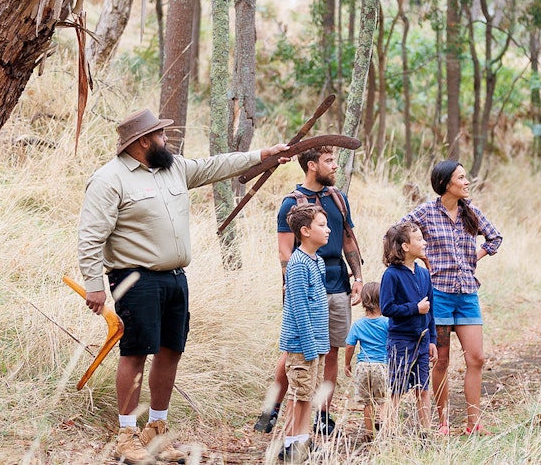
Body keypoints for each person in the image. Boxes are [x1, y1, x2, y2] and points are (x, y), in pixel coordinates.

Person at [77, 109, 288, 464]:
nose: (166, 140)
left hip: (175, 278)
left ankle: (157, 430)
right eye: (160, 135)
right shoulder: (109, 179)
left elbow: (213, 166)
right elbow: (90, 237)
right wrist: (93, 285)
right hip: (134, 278)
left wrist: (262, 155)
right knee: (134, 351)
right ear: (143, 141)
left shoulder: (172, 167)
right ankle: (127, 435)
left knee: (170, 350)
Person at [254, 146, 363, 436]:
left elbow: (349, 241)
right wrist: (296, 287)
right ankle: (272, 409)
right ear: (312, 165)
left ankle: (322, 416)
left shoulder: (338, 199)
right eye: (329, 161)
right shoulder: (291, 203)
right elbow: (284, 252)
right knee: (295, 352)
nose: (335, 166)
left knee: (331, 352)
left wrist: (358, 277)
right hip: (307, 286)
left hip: (338, 283)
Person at [402, 160, 502, 436]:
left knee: (477, 358)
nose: (467, 182)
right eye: (462, 177)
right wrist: (423, 258)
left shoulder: (471, 212)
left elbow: (494, 238)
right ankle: (444, 422)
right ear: (446, 183)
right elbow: (397, 234)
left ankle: (474, 423)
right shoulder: (425, 213)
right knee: (442, 360)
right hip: (439, 295)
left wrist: (474, 258)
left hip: (467, 293)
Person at [277, 203, 332, 462]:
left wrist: (321, 344)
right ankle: (288, 444)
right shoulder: (298, 264)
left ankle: (302, 439)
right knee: (297, 393)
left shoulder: (317, 261)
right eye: (322, 225)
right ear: (305, 231)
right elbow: (298, 308)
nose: (328, 230)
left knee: (308, 393)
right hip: (302, 344)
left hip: (318, 343)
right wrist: (310, 346)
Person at [379, 221, 437, 434]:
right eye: (419, 239)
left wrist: (432, 340)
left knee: (423, 388)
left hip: (422, 340)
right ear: (405, 246)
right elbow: (387, 307)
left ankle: (426, 433)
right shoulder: (391, 275)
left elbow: (431, 310)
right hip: (400, 340)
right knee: (396, 388)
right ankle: (389, 431)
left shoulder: (424, 274)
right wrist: (414, 308)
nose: (424, 242)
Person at [343, 281, 387, 438]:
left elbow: (350, 346)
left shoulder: (358, 324)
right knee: (383, 400)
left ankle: (369, 432)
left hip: (363, 366)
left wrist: (347, 364)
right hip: (382, 365)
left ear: (363, 301)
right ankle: (383, 425)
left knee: (368, 402)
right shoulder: (387, 323)